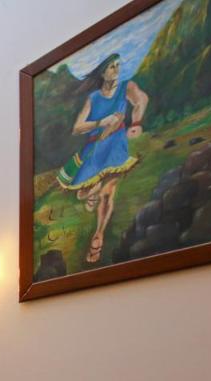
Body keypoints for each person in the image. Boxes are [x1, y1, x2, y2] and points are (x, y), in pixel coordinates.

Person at [56, 53, 149, 264]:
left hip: (116, 145)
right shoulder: (94, 98)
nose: (116, 70)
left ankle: (98, 235)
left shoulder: (126, 87)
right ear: (103, 73)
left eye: (118, 65)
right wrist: (101, 122)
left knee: (108, 191)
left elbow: (141, 100)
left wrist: (136, 123)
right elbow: (77, 127)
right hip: (94, 147)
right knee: (82, 193)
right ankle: (91, 194)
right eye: (111, 67)